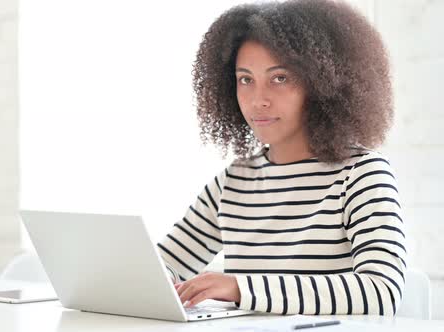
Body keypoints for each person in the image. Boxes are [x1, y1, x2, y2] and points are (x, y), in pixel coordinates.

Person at [158, 0, 405, 316]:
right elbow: (161, 265)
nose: (258, 99)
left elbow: (381, 292)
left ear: (321, 84)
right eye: (245, 79)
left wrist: (240, 288)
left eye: (280, 78)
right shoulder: (233, 182)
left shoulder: (361, 174)